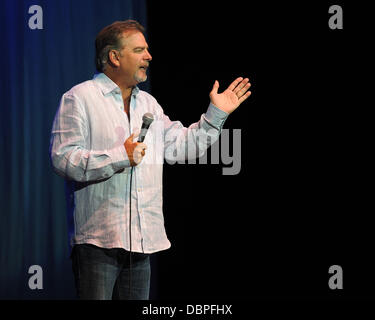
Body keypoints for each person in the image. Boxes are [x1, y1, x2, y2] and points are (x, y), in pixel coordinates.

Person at [49, 20, 251, 300]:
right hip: (98, 243)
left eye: (147, 50)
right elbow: (63, 158)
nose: (149, 56)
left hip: (142, 242)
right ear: (114, 57)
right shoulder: (80, 98)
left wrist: (216, 114)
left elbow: (182, 147)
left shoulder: (149, 104)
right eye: (139, 50)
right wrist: (121, 156)